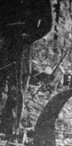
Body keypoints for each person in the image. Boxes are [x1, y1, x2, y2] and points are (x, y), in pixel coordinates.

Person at [0, 0, 52, 135]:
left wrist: (30, 37)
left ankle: (11, 128)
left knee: (18, 85)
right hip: (4, 41)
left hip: (23, 44)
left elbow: (47, 24)